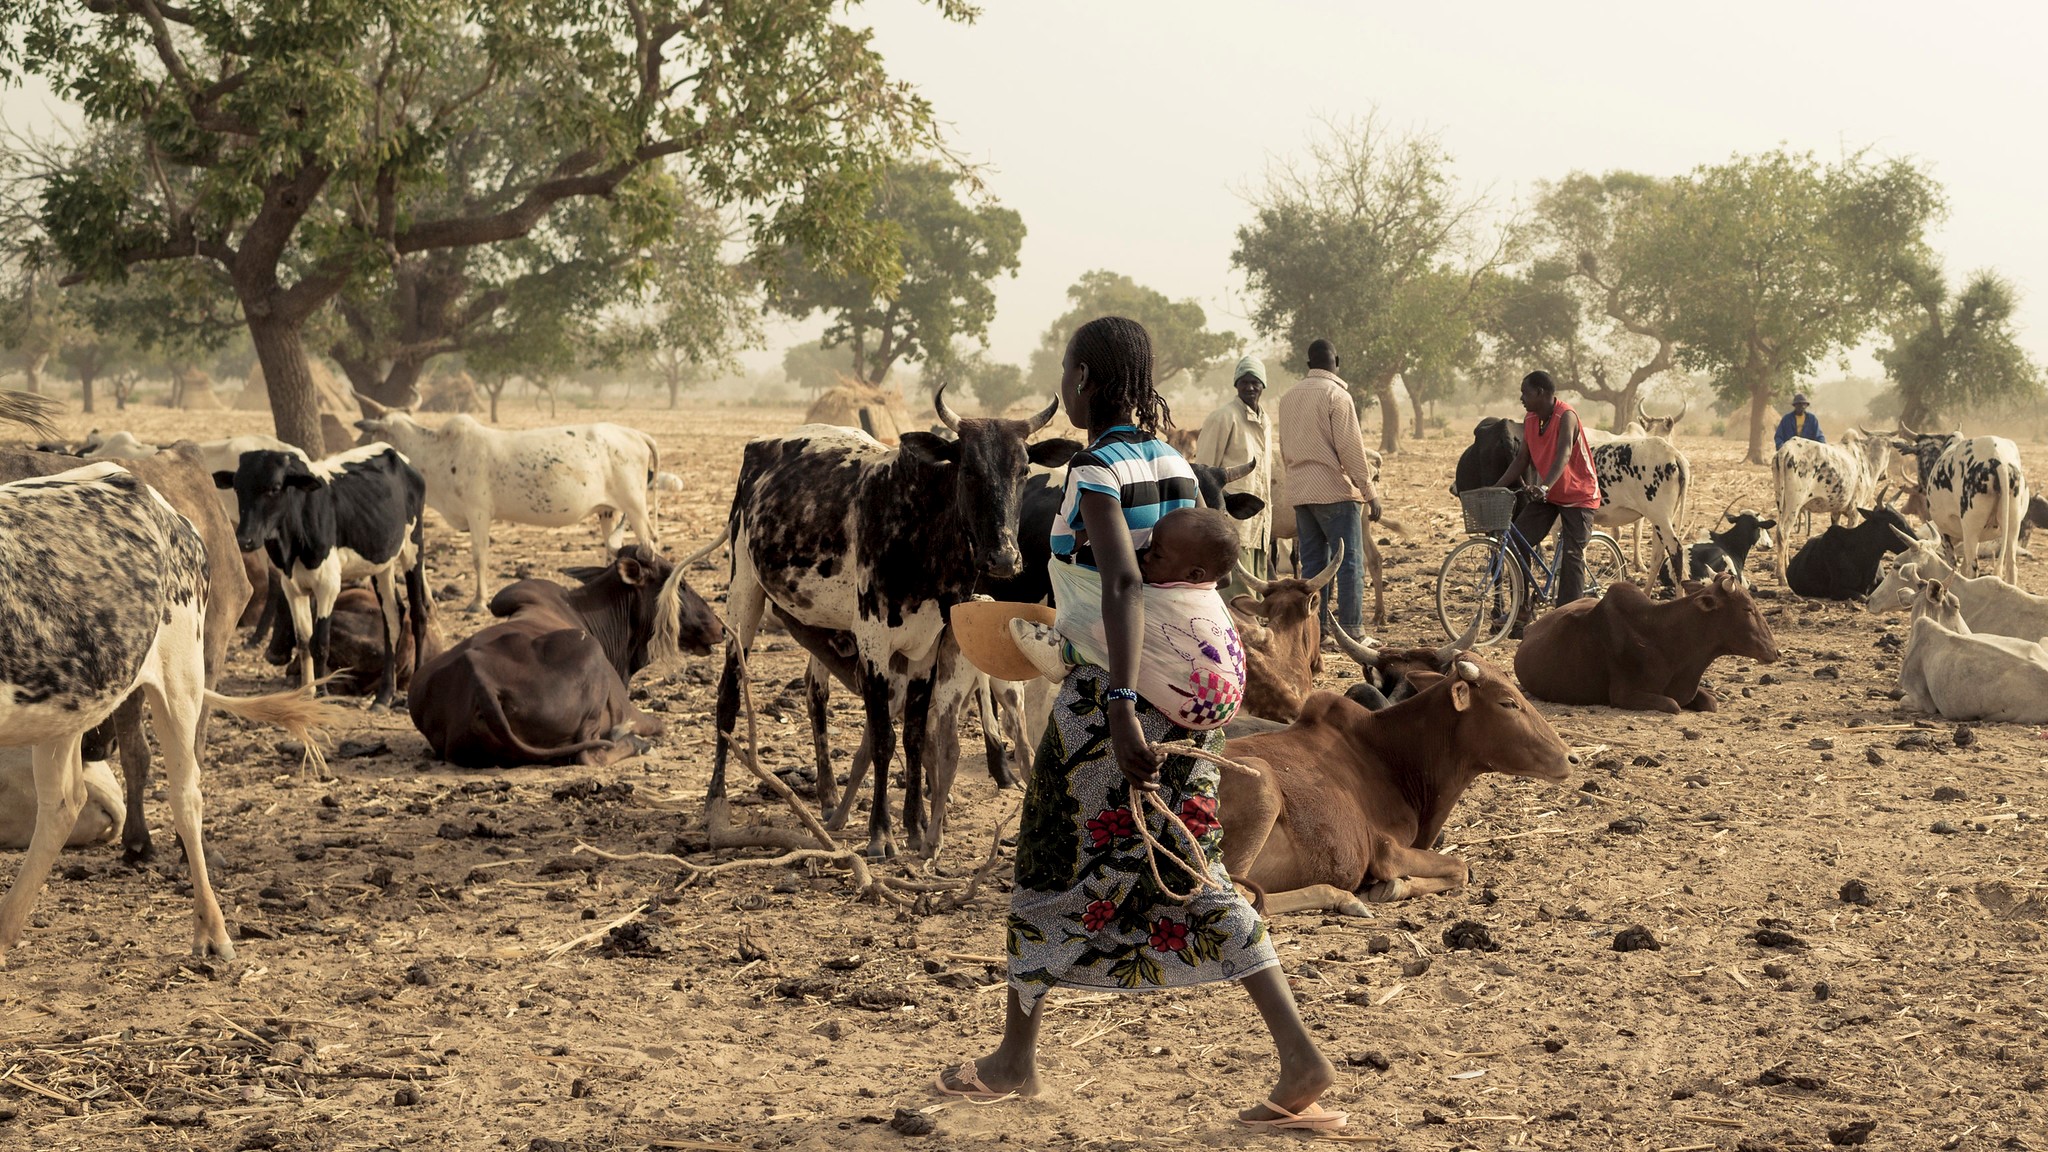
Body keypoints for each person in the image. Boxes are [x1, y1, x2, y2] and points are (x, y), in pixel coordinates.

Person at [938, 316, 1342, 1133]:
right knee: (1174, 866)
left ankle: (1019, 1061)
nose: (1061, 382)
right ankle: (1021, 1055)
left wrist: (1120, 705)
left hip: (1109, 705)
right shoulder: (1175, 464)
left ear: (1085, 378)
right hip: (1180, 699)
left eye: (1063, 369)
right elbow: (1185, 587)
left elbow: (1125, 583)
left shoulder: (1095, 466)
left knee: (1080, 863)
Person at [1012, 506, 1246, 724]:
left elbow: (1102, 632)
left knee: (1106, 632)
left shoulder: (1166, 603)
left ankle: (1066, 654)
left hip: (1196, 709)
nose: (1145, 556)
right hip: (1229, 703)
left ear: (1194, 574)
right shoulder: (1207, 595)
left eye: (1158, 555)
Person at [1276, 339, 1380, 641]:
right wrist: (1369, 492)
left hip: (1301, 492)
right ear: (1338, 361)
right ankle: (1352, 630)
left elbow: (1284, 448)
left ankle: (1315, 631)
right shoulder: (1338, 396)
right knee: (1348, 562)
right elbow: (1351, 450)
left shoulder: (1288, 398)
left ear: (1309, 366)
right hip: (1334, 491)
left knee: (1312, 567)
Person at [1493, 370, 1602, 637]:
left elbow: (1564, 453)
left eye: (1525, 392)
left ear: (1541, 393)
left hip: (1579, 493)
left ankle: (1568, 620)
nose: (1521, 398)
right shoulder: (1531, 419)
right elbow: (1521, 460)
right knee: (1518, 541)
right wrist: (1495, 487)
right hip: (1552, 494)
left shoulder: (1566, 417)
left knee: (1572, 555)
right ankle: (1522, 608)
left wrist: (1543, 486)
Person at [1195, 354, 1274, 599]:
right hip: (1232, 522)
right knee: (1237, 600)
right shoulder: (1223, 417)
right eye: (1244, 381)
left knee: (1256, 595)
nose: (1250, 387)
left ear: (1263, 385)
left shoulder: (1265, 420)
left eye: (1255, 382)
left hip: (1258, 524)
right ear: (1236, 385)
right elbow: (1203, 474)